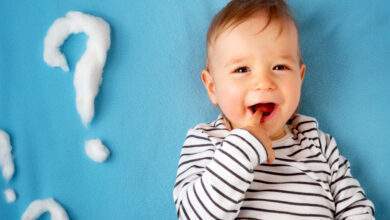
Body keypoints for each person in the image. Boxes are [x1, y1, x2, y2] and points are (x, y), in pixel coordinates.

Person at [172, 0, 375, 219]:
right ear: (213, 87)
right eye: (242, 69)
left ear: (300, 77)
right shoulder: (206, 140)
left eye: (280, 67)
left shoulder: (318, 144)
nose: (264, 82)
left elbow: (356, 209)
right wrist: (243, 147)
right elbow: (192, 215)